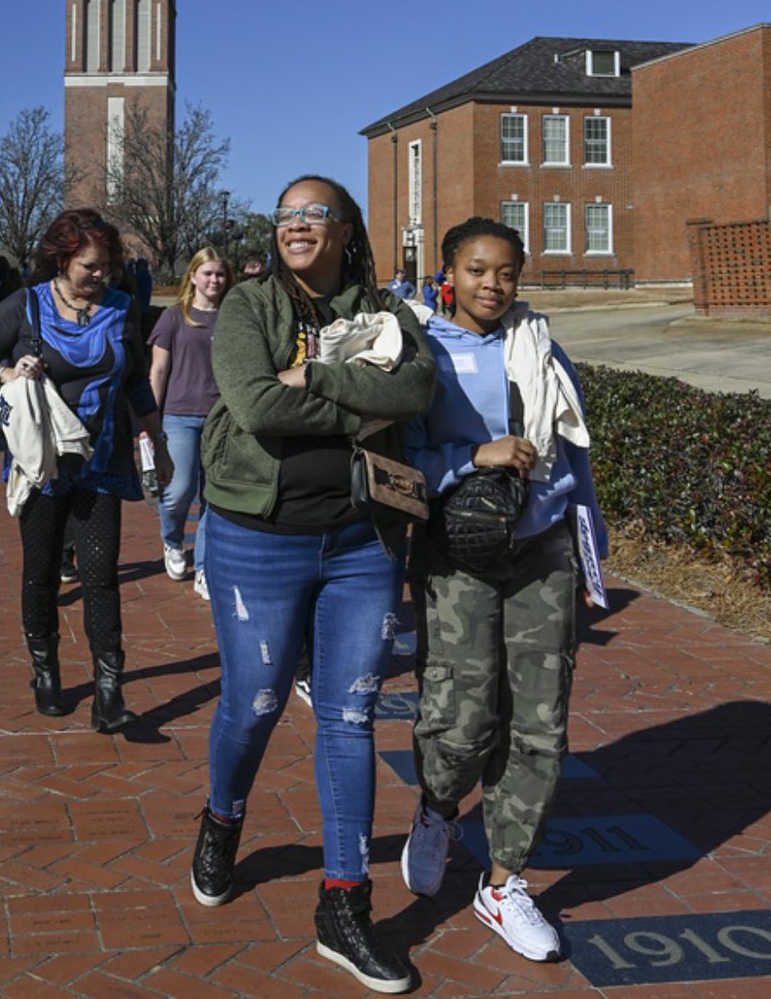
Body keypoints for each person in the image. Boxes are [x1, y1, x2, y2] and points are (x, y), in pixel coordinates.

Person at [190, 174, 435, 993]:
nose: (296, 225)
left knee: (350, 714)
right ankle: (222, 817)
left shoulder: (386, 312)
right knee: (254, 702)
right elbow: (257, 407)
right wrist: (363, 401)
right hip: (257, 540)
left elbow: (416, 387)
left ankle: (343, 905)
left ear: (345, 229)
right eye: (286, 215)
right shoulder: (248, 305)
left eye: (314, 213)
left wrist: (318, 380)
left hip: (364, 543)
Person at [399, 216, 607, 964]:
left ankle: (504, 882)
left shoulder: (539, 345)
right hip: (458, 552)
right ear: (449, 274)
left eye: (507, 272)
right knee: (461, 715)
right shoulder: (417, 347)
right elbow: (400, 458)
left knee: (541, 723)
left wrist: (590, 551)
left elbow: (574, 456)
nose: (493, 284)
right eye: (478, 270)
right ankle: (437, 806)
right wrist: (473, 455)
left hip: (541, 550)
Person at [0, 208, 173, 732]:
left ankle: (108, 692)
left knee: (101, 576)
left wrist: (158, 440)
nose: (100, 275)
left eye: (106, 266)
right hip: (43, 463)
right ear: (62, 259)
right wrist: (6, 371)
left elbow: (136, 382)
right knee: (41, 572)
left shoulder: (122, 308)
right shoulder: (27, 305)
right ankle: (45, 670)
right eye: (89, 266)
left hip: (103, 460)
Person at [147, 248, 233, 599]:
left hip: (222, 418)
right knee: (179, 489)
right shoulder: (173, 317)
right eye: (207, 273)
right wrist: (150, 421)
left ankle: (204, 567)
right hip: (179, 414)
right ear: (193, 276)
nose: (214, 280)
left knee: (215, 496)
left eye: (220, 274)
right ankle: (172, 541)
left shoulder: (233, 317)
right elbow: (158, 370)